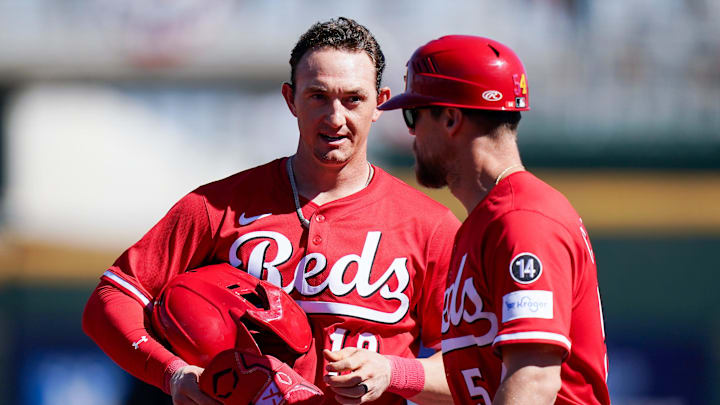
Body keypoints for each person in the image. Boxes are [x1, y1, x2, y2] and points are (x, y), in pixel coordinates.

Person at [82, 17, 460, 405]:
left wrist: (394, 372)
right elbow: (110, 299)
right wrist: (173, 373)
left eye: (353, 99)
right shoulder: (218, 206)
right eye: (317, 96)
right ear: (290, 99)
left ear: (380, 103)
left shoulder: (429, 227)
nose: (335, 117)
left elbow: (481, 368)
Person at [378, 35, 610, 404]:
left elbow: (532, 380)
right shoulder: (484, 221)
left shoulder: (523, 220)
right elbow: (474, 382)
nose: (411, 133)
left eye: (414, 115)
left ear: (451, 118)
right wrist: (391, 372)